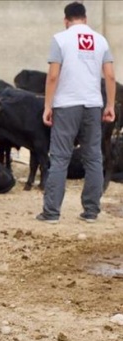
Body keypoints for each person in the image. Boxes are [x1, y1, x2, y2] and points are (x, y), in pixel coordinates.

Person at [36, 1, 116, 224]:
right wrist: (110, 104)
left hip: (66, 105)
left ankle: (51, 213)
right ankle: (91, 211)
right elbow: (109, 75)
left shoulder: (60, 39)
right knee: (93, 158)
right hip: (92, 104)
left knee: (60, 158)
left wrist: (48, 106)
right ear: (86, 18)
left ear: (66, 20)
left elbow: (53, 76)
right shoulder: (100, 40)